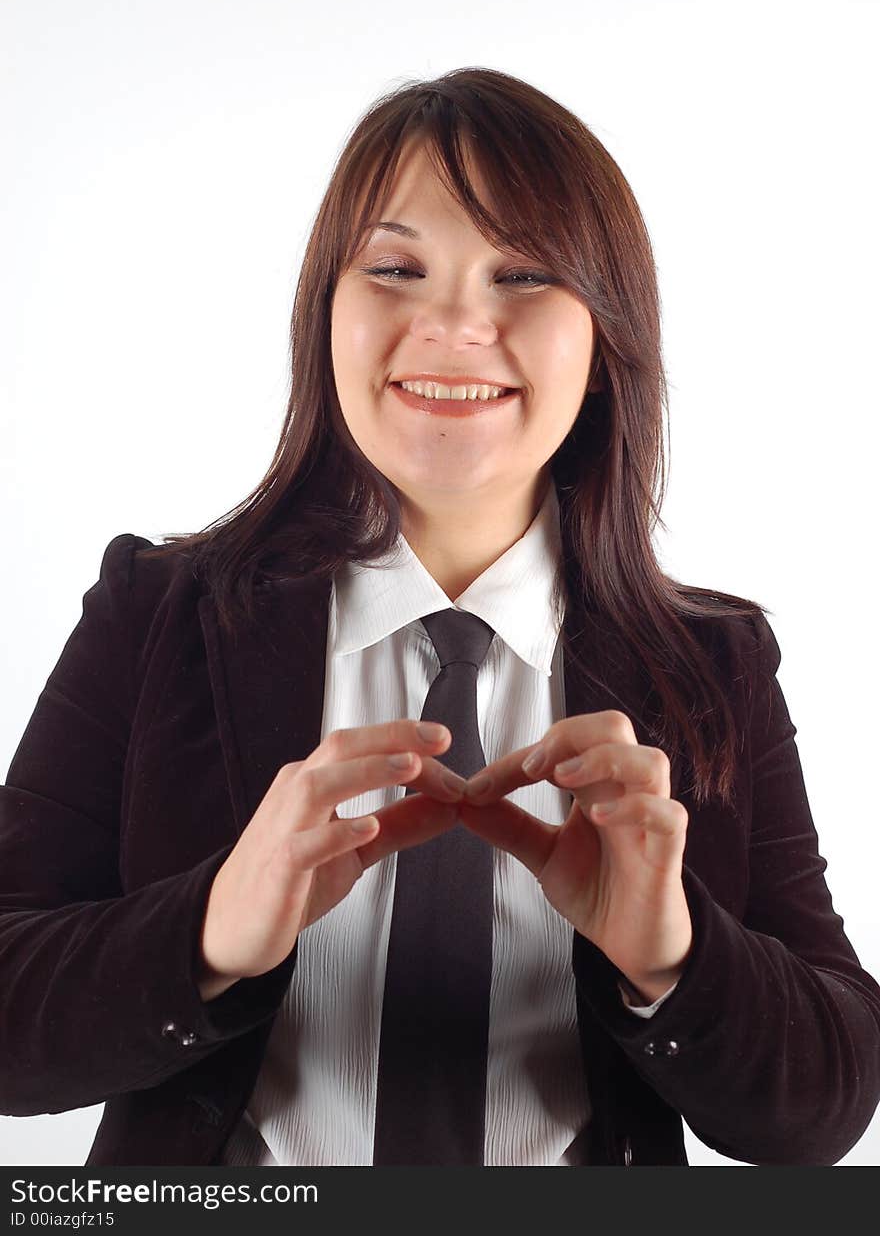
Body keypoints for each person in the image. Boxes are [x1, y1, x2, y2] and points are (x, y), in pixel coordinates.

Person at [2, 67, 879, 1168]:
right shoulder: (157, 613)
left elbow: (824, 1106)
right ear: (327, 311)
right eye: (395, 267)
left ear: (605, 341)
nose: (455, 322)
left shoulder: (710, 664)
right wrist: (210, 928)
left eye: (522, 272)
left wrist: (674, 956)